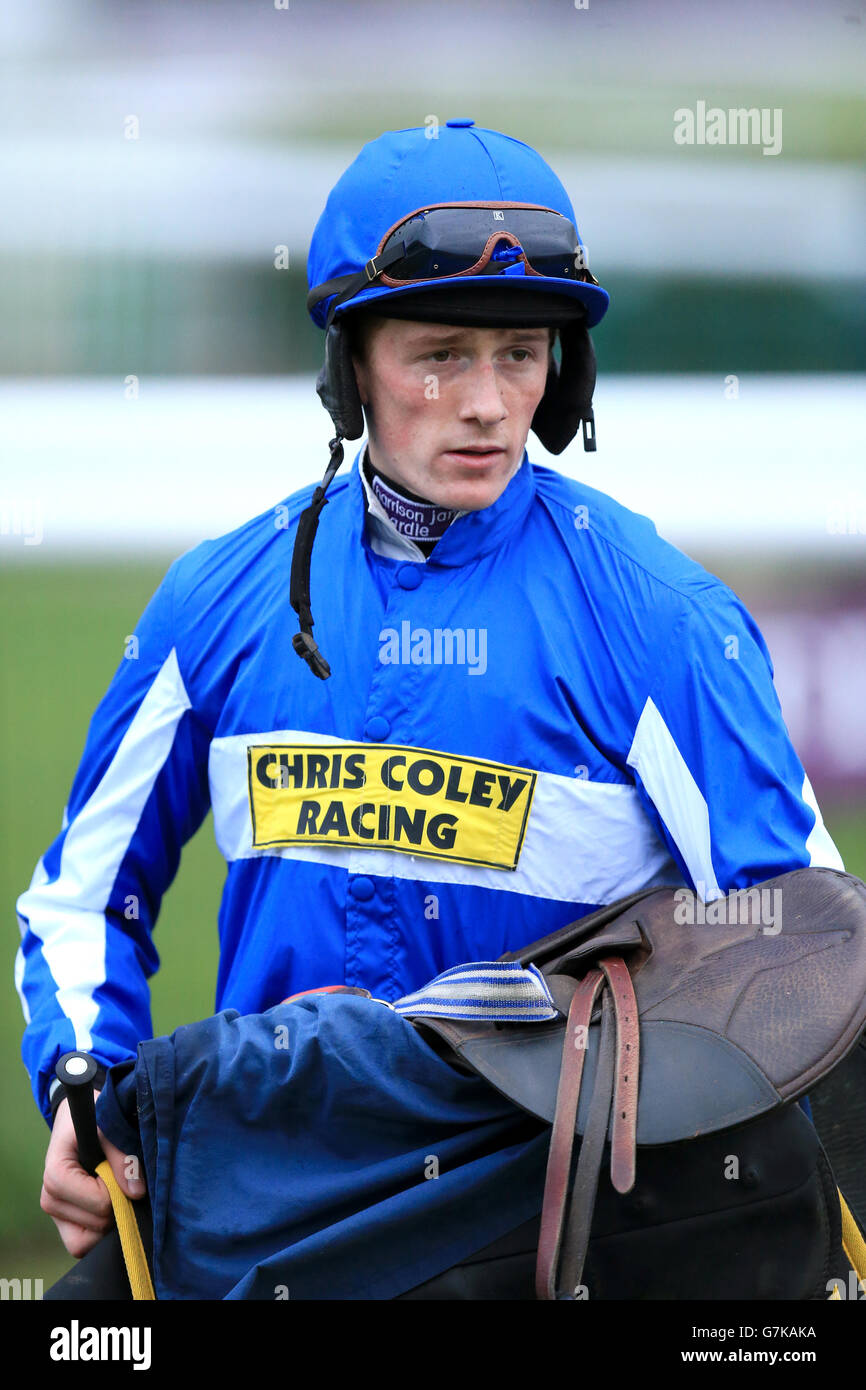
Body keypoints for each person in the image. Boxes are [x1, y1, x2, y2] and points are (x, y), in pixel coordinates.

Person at [16, 118, 844, 1264]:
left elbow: (803, 954)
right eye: (440, 353)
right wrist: (84, 1088)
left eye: (521, 353)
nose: (489, 403)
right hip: (263, 1212)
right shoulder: (218, 599)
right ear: (350, 364)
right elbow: (79, 899)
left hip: (539, 1231)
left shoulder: (661, 616)